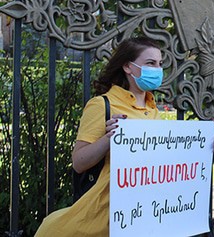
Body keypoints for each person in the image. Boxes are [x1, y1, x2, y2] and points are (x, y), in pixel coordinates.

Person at [36, 37, 174, 236]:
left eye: (160, 64)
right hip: (104, 215)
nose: (157, 70)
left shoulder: (153, 110)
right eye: (150, 63)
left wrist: (200, 148)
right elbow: (79, 162)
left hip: (142, 214)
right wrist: (109, 138)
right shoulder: (101, 105)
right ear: (127, 66)